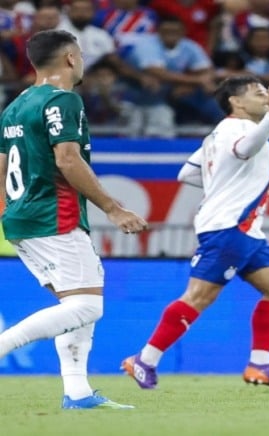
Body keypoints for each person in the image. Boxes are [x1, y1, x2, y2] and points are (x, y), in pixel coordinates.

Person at [121, 75, 269, 389]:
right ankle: (145, 359)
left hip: (246, 229)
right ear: (236, 101)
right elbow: (245, 150)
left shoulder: (216, 135)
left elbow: (187, 174)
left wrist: (241, 184)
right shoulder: (238, 128)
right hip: (229, 227)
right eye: (258, 93)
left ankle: (260, 364)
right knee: (199, 296)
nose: (266, 97)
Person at [0, 29, 148, 409]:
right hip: (54, 215)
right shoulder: (63, 100)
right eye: (80, 54)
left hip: (22, 218)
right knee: (87, 307)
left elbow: (1, 167)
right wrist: (113, 208)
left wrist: (7, 214)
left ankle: (78, 393)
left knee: (77, 303)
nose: (81, 61)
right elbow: (67, 159)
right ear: (70, 58)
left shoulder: (15, 106)